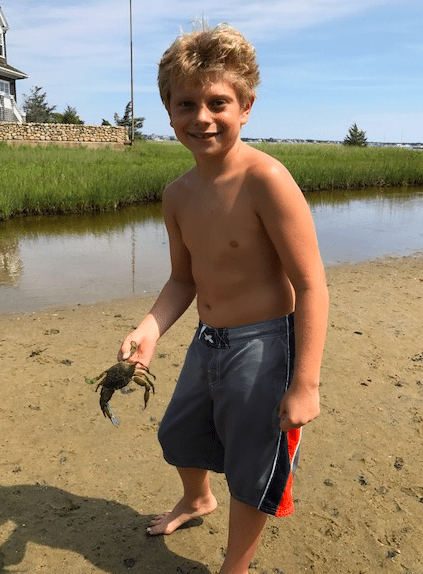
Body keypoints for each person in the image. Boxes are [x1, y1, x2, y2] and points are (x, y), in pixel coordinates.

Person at [118, 22, 329, 574]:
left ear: (247, 105)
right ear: (168, 110)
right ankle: (195, 498)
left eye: (218, 102)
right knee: (179, 432)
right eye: (186, 103)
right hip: (207, 339)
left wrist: (304, 383)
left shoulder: (267, 180)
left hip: (266, 346)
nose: (202, 117)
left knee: (252, 465)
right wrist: (151, 327)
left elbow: (311, 285)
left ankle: (234, 567)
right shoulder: (177, 195)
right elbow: (183, 279)